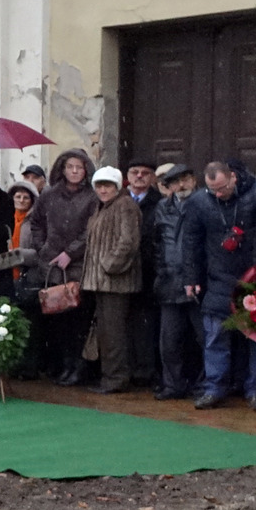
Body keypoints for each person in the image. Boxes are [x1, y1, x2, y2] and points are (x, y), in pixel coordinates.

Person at [184, 160, 256, 411]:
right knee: (215, 337)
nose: (218, 195)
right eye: (212, 190)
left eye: (222, 188)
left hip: (255, 277)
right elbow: (191, 241)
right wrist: (191, 277)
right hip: (218, 277)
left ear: (233, 177)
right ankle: (214, 388)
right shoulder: (200, 201)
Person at [25, 149, 99, 385]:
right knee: (56, 322)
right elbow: (36, 223)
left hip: (78, 266)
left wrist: (71, 252)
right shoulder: (49, 194)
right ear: (63, 169)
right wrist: (43, 248)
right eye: (70, 167)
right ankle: (62, 366)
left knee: (78, 321)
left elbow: (91, 231)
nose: (74, 171)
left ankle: (78, 368)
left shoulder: (92, 197)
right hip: (51, 266)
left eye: (79, 167)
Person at [82, 166, 142, 394]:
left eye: (107, 185)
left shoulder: (125, 205)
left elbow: (128, 242)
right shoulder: (103, 207)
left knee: (114, 333)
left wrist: (110, 266)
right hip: (102, 282)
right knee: (106, 332)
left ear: (117, 186)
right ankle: (110, 376)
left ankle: (116, 379)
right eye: (99, 186)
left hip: (116, 282)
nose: (103, 190)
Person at [148, 165, 198, 398]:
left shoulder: (204, 203)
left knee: (203, 338)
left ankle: (204, 384)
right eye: (176, 182)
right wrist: (161, 270)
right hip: (169, 280)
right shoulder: (162, 207)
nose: (181, 185)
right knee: (169, 340)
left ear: (194, 180)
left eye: (185, 179)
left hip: (197, 282)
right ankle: (172, 384)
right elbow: (157, 242)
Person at [126, 161, 162, 388]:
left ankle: (146, 371)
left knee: (146, 325)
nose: (139, 176)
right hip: (121, 271)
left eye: (145, 173)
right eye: (135, 172)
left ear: (152, 178)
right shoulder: (118, 200)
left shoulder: (159, 202)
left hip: (148, 272)